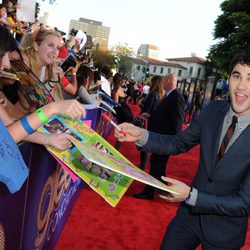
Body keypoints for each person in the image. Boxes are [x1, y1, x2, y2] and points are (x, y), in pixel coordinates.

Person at [115, 50, 250, 249]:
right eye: (237, 76)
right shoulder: (213, 110)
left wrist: (191, 196)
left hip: (225, 231)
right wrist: (142, 135)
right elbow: (179, 142)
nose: (241, 86)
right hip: (188, 218)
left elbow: (244, 202)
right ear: (229, 79)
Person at [133, 73, 185, 200]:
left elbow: (177, 122)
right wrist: (151, 117)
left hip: (165, 140)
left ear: (168, 81)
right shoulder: (170, 95)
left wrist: (172, 143)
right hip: (161, 138)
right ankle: (161, 190)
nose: (161, 83)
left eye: (163, 81)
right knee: (157, 166)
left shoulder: (176, 97)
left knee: (157, 165)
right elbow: (165, 116)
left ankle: (151, 192)